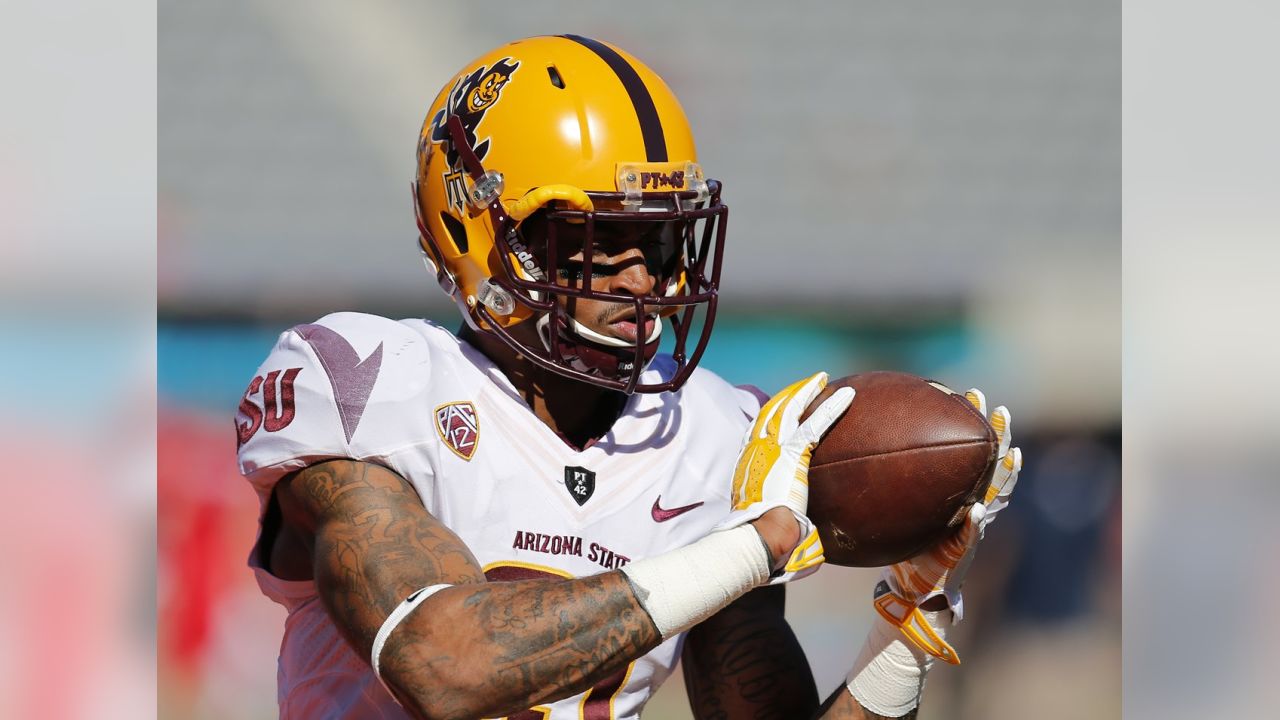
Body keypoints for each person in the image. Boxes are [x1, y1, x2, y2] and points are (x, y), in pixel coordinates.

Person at [235, 35, 1023, 720]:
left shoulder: (711, 436)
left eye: (666, 240)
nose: (644, 279)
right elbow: (444, 667)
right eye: (602, 237)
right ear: (480, 229)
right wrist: (755, 544)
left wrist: (905, 631)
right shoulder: (370, 380)